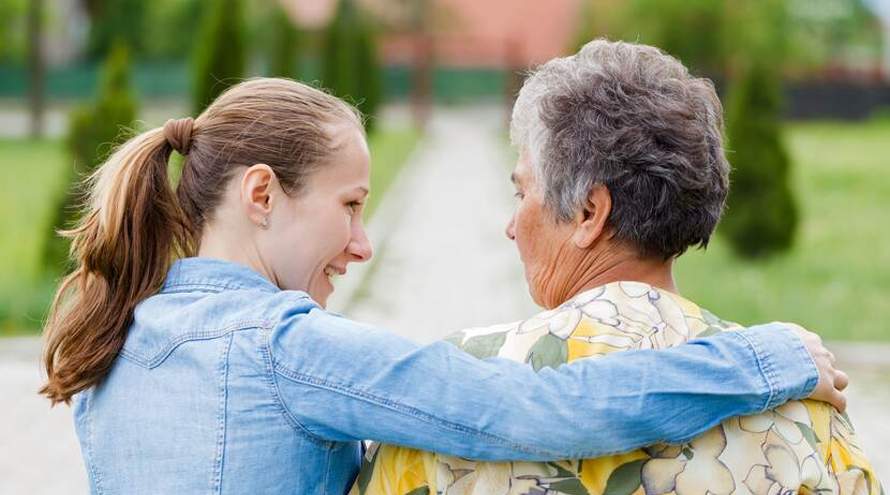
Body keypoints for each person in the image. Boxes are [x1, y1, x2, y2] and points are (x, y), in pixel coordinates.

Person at [40, 78, 846, 495]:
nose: (361, 243)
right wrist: (764, 358)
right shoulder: (286, 347)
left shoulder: (109, 346)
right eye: (350, 206)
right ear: (261, 194)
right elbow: (536, 411)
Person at [352, 40, 880, 495]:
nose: (511, 226)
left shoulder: (454, 393)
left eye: (521, 192)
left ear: (588, 212)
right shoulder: (807, 406)